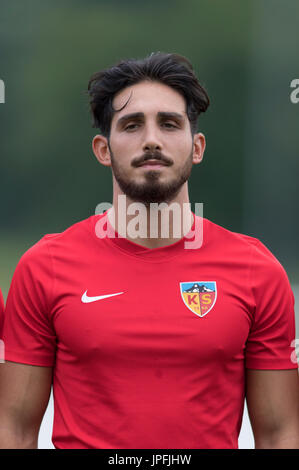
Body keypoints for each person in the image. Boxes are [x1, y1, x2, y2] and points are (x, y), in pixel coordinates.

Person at [0, 52, 298, 450]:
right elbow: (14, 430)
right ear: (103, 150)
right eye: (132, 125)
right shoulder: (44, 268)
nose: (152, 140)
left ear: (197, 147)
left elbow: (280, 435)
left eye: (170, 124)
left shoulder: (257, 271)